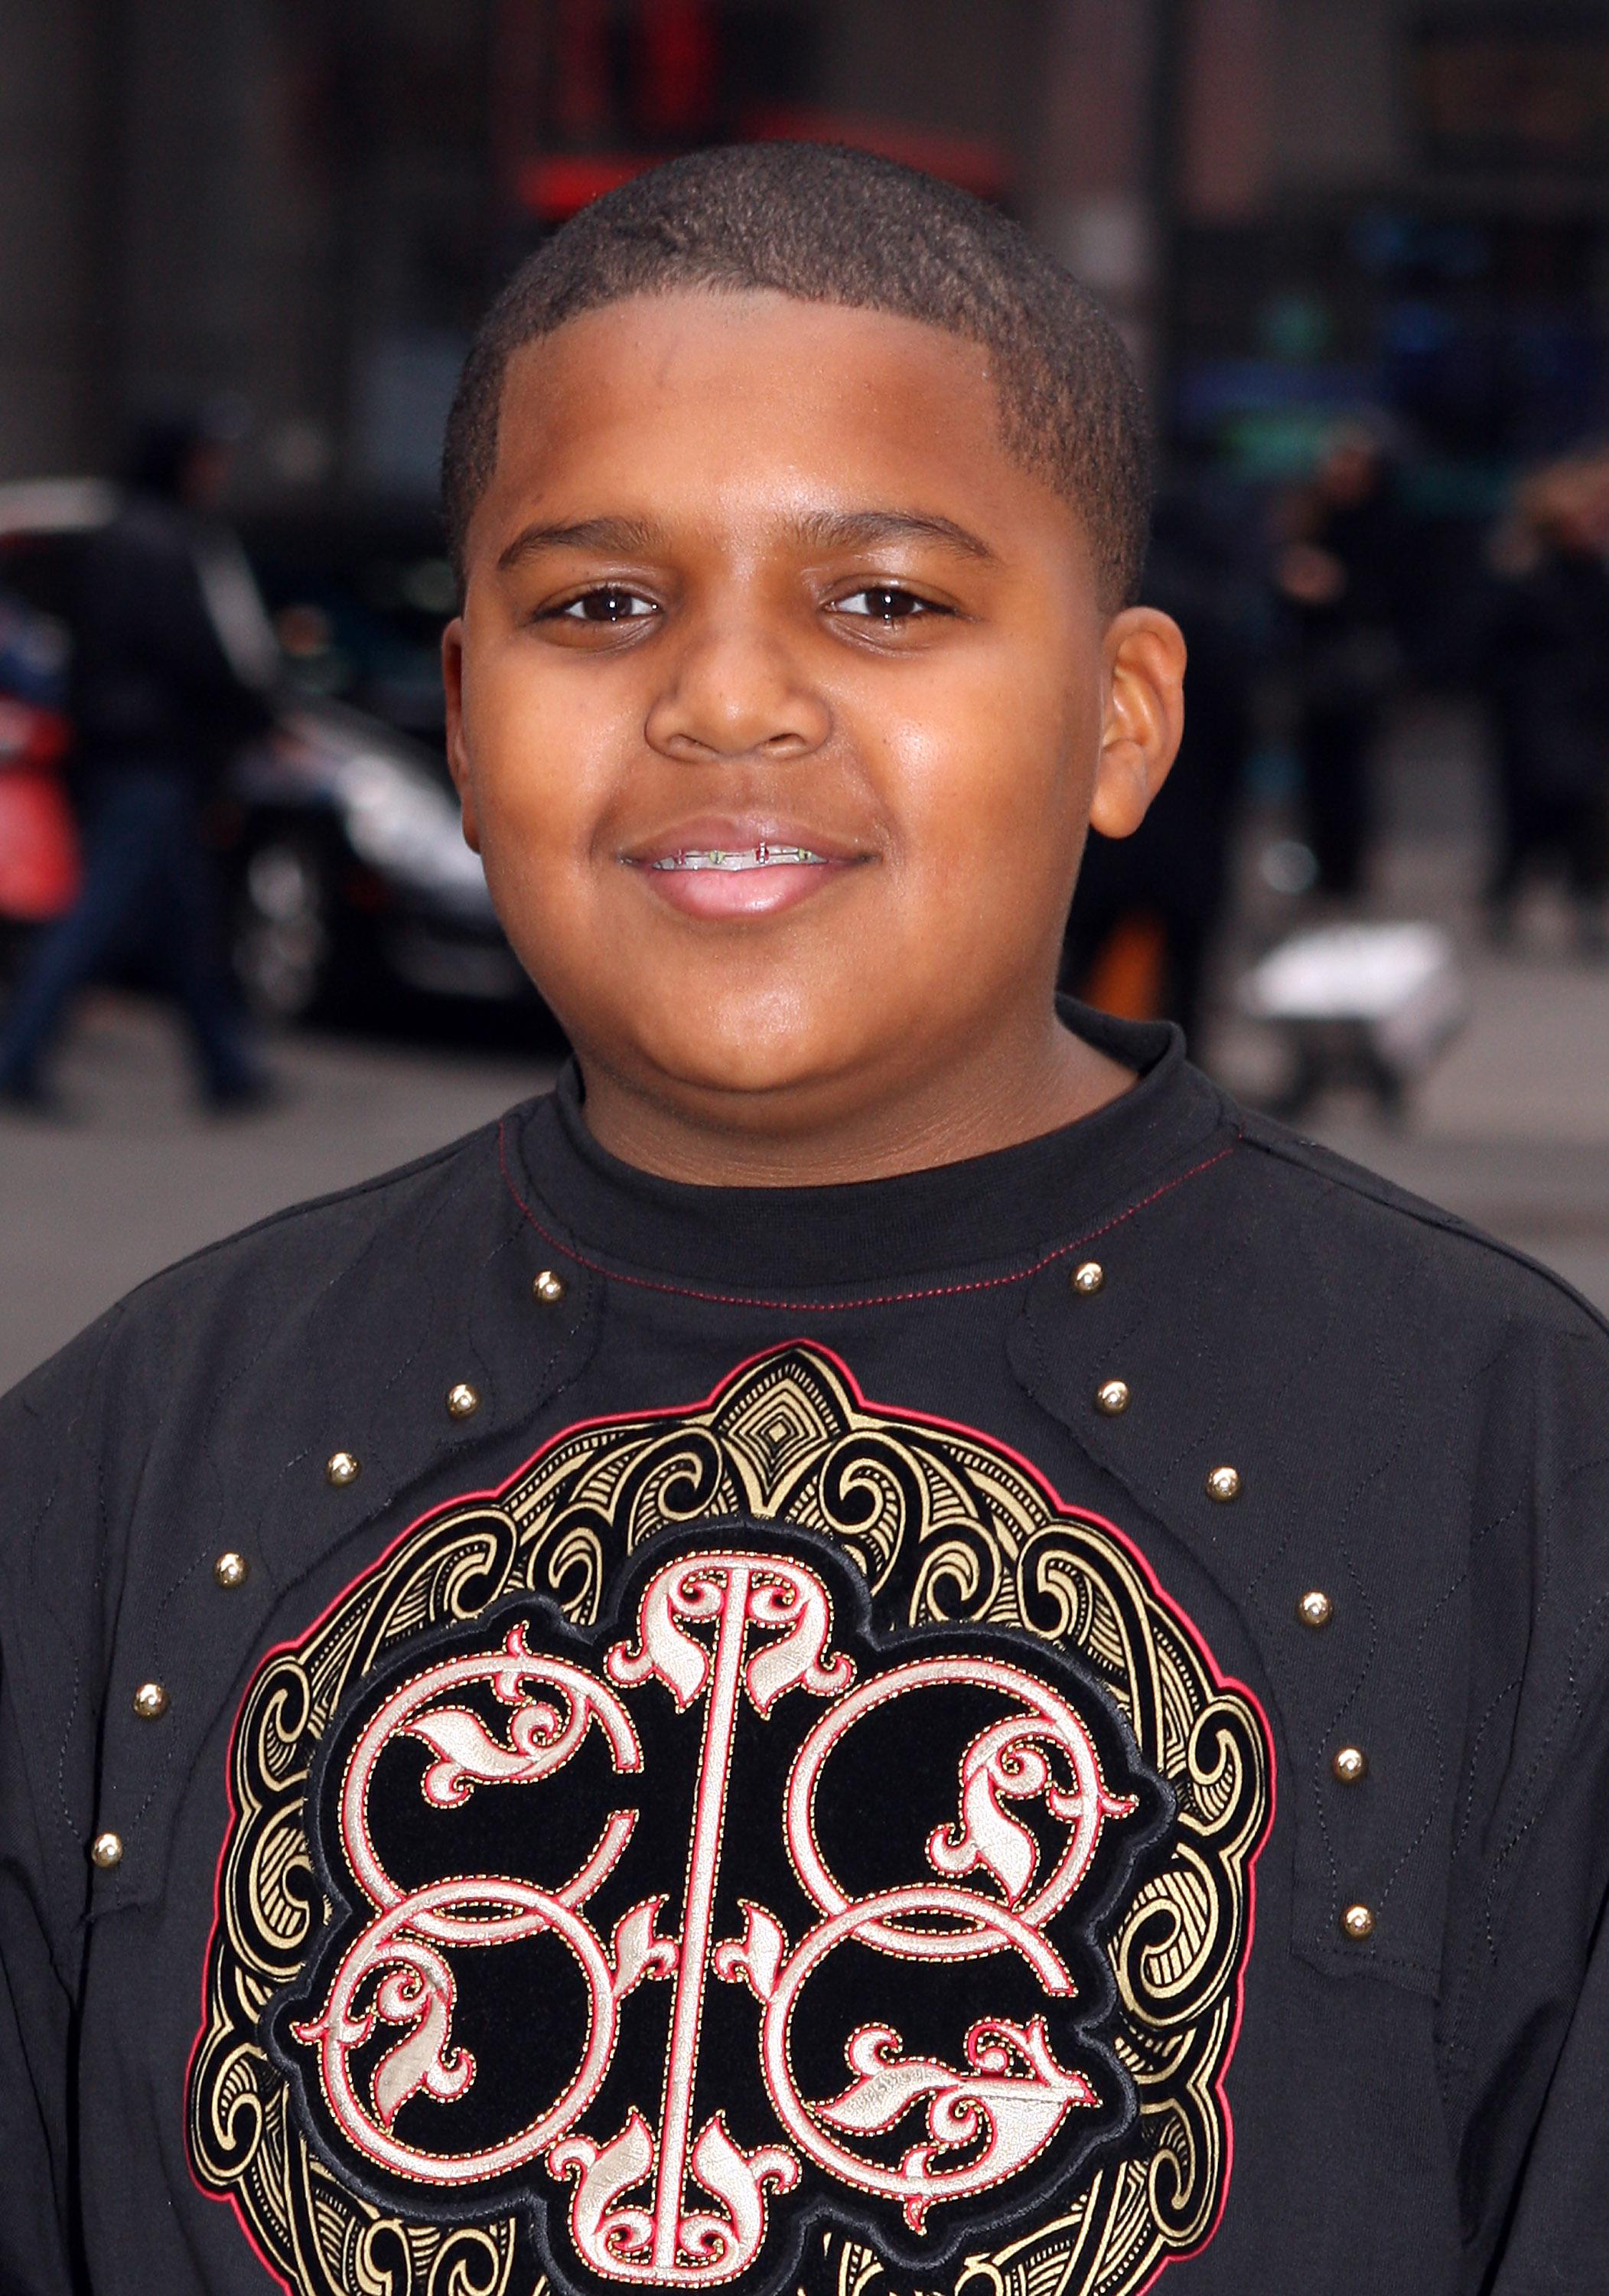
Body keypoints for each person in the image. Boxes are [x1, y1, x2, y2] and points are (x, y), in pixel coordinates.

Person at [1, 145, 1607, 2296]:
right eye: (598, 605)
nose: (725, 702)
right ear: (467, 725)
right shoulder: (121, 1464)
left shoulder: (1518, 1480)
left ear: (1120, 718)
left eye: (880, 600)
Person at [0, 414, 275, 1111]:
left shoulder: (117, 534)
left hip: (130, 750)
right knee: (99, 914)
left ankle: (226, 1067)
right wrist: (253, 717)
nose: (215, 475)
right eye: (206, 460)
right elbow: (189, 647)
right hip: (150, 753)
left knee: (185, 920)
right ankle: (17, 1056)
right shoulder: (160, 541)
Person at [1274, 419, 1408, 899]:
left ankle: (1348, 870)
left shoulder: (1385, 522)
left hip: (1356, 669)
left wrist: (1338, 587)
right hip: (1312, 666)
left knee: (1353, 775)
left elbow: (1398, 597)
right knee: (1314, 774)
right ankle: (1321, 865)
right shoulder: (1310, 517)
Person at [1480, 452, 1609, 946]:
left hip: (1586, 709)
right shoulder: (1526, 575)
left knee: (1585, 811)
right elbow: (1492, 644)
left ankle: (1581, 900)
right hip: (1534, 710)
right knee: (1531, 810)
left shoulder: (1594, 574)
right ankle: (1509, 893)